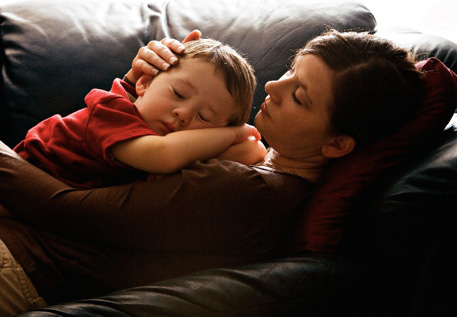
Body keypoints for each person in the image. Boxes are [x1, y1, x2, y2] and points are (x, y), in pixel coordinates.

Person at [0, 30, 424, 315]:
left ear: (336, 144)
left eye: (299, 95)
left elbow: (66, 209)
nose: (273, 88)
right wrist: (137, 85)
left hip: (23, 266)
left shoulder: (247, 192)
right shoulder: (252, 161)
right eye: (290, 72)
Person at [13, 38, 264, 189]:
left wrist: (233, 141)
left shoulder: (183, 145)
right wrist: (234, 132)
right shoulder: (111, 111)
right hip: (16, 184)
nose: (183, 114)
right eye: (178, 93)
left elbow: (253, 152)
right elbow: (163, 155)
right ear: (143, 83)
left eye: (205, 117)